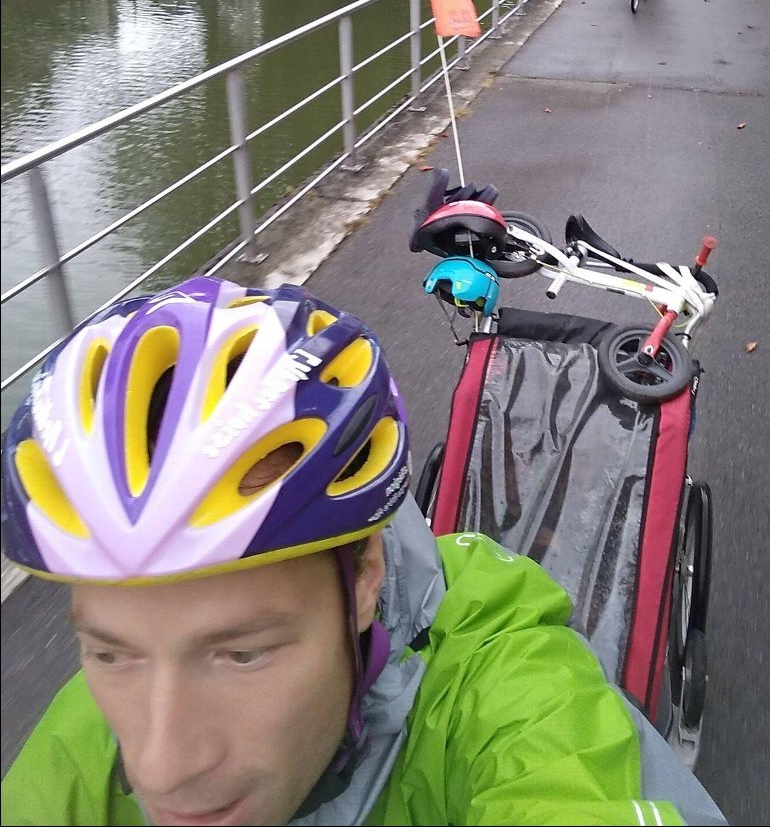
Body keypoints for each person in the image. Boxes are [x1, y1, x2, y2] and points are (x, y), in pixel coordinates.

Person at [0, 276, 728, 827]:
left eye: (243, 653)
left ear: (363, 580)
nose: (159, 767)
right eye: (110, 654)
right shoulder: (87, 743)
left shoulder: (506, 696)